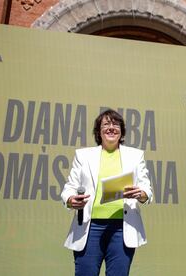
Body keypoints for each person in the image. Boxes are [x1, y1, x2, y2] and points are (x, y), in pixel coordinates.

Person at [61, 109, 153, 276]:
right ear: (98, 131)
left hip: (122, 229)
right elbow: (69, 188)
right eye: (106, 124)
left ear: (122, 131)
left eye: (116, 124)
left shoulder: (135, 155)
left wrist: (141, 194)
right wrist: (70, 199)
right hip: (90, 228)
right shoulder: (83, 156)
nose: (111, 128)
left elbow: (147, 188)